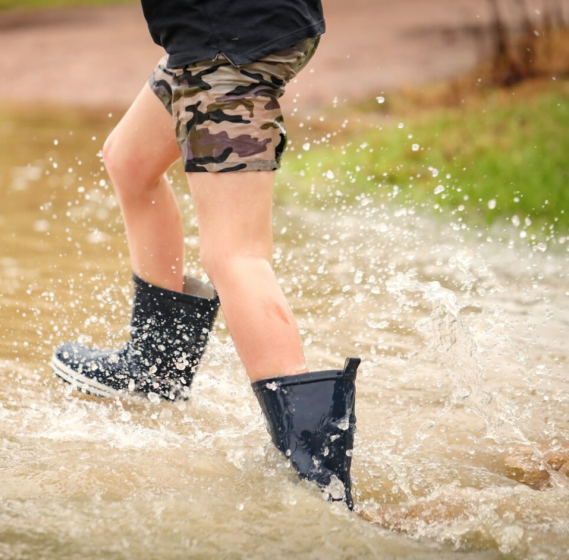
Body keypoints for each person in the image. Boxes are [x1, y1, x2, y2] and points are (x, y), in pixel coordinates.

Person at [51, 0, 361, 510]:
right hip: (212, 38)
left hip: (227, 45)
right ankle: (156, 365)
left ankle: (315, 472)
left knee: (235, 254)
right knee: (129, 160)